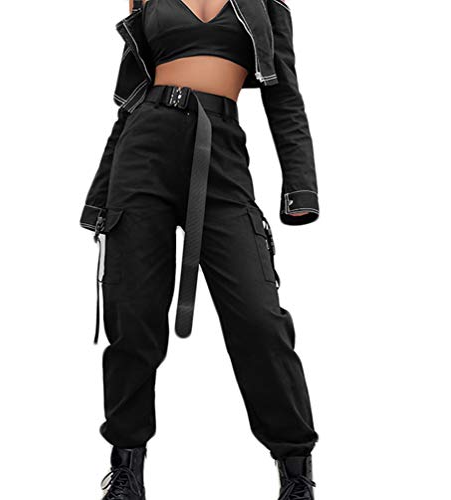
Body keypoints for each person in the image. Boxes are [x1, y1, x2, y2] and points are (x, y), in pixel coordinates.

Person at [79, 0, 320, 498]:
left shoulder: (265, 6)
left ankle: (296, 471)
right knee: (132, 314)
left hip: (222, 150)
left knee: (258, 318)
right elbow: (132, 97)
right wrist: (101, 193)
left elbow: (284, 98)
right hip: (144, 148)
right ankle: (126, 469)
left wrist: (300, 187)